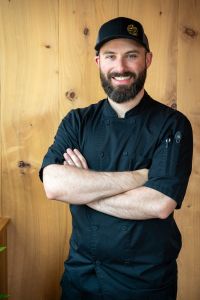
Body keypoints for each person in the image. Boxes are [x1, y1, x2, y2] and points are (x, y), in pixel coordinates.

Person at [39, 17, 193, 300]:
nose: (120, 67)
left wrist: (81, 190)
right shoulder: (78, 122)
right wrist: (139, 177)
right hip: (81, 277)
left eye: (131, 56)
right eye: (111, 56)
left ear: (147, 59)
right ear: (99, 61)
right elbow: (54, 184)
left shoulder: (172, 125)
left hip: (145, 282)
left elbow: (159, 204)